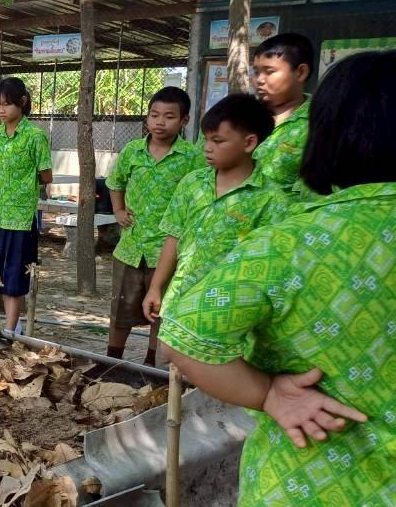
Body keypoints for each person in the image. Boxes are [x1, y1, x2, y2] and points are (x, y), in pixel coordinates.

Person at [158, 50, 394, 506]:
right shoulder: (204, 189)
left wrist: (267, 393)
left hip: (306, 482)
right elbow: (175, 237)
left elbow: (183, 337)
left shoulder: (290, 238)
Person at [142, 94, 288, 335]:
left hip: (230, 315)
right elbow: (173, 237)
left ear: (249, 143)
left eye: (218, 141)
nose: (207, 147)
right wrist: (156, 287)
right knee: (170, 356)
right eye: (206, 139)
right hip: (180, 302)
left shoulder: (270, 200)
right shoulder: (193, 183)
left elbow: (269, 268)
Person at [103, 87, 203, 365]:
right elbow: (115, 182)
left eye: (169, 117)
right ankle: (111, 362)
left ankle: (151, 365)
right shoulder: (133, 151)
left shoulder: (192, 157)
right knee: (121, 308)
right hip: (131, 247)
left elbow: (199, 194)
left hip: (168, 250)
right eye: (154, 115)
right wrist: (118, 210)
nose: (160, 122)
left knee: (160, 310)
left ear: (184, 120)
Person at [0, 78, 52, 333]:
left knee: (14, 275)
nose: (1, 110)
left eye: (7, 104)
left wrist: (23, 183)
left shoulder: (35, 136)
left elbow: (46, 175)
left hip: (20, 219)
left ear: (22, 102)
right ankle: (8, 326)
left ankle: (10, 328)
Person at [251, 32, 314, 198]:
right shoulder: (239, 114)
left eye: (269, 71)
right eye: (256, 72)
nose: (259, 80)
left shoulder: (320, 123)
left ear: (300, 72)